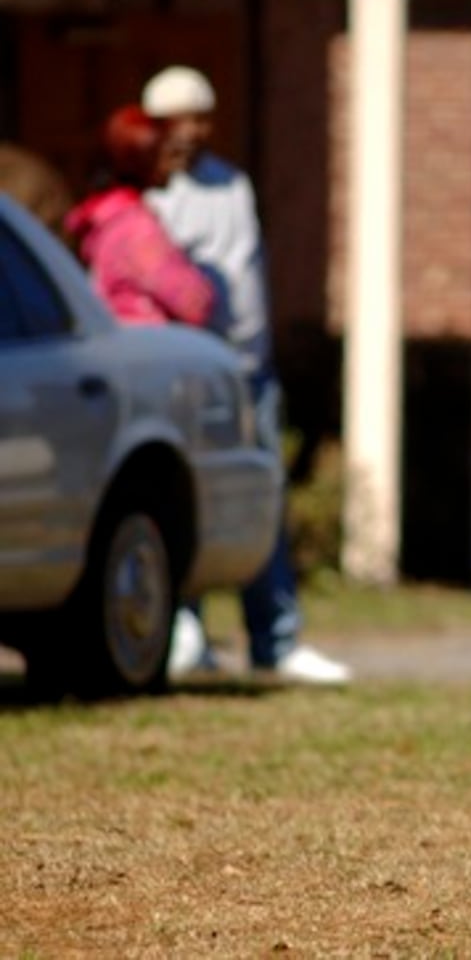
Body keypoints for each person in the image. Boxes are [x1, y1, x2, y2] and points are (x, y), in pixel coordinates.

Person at [141, 64, 350, 685]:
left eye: (203, 115)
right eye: (181, 118)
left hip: (251, 373)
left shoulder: (232, 184)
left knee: (263, 502)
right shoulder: (150, 198)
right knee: (187, 500)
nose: (195, 129)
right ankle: (187, 628)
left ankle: (275, 638)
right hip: (190, 375)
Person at [64, 105, 215, 329]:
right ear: (144, 159)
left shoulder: (103, 215)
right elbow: (193, 303)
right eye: (168, 153)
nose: (175, 164)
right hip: (148, 350)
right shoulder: (135, 228)